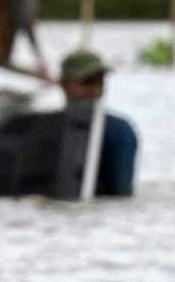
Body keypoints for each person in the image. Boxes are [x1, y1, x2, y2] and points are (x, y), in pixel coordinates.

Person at [58, 48, 138, 196]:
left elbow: (122, 191)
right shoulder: (40, 128)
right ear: (64, 84)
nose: (96, 90)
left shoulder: (119, 131)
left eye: (100, 81)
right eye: (87, 82)